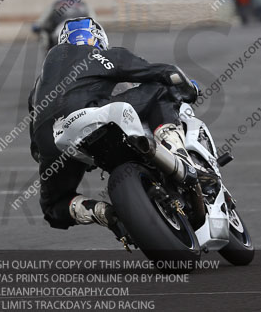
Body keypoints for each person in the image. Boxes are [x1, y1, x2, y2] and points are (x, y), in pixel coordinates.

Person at [28, 17, 200, 231]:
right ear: (99, 39)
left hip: (52, 141)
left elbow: (35, 147)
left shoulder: (38, 85)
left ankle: (100, 212)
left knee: (53, 208)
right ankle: (178, 153)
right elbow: (166, 73)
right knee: (162, 89)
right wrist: (189, 89)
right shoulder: (105, 55)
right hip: (88, 116)